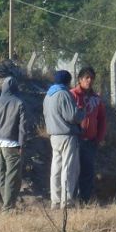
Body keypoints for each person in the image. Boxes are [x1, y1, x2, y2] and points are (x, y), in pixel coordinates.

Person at [43, 70, 85, 209]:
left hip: (53, 136)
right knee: (68, 168)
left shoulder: (48, 95)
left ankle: (55, 200)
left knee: (56, 168)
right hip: (67, 135)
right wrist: (82, 112)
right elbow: (72, 116)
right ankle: (66, 201)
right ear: (67, 81)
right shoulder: (64, 94)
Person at [0, 76, 27, 212]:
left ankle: (7, 204)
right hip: (13, 146)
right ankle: (8, 207)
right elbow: (22, 127)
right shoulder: (19, 103)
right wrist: (21, 144)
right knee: (12, 177)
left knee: (3, 176)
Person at [69, 67, 107, 204]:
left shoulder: (96, 99)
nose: (89, 80)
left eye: (92, 78)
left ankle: (84, 200)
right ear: (80, 79)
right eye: (86, 78)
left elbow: (102, 119)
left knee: (88, 171)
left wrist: (99, 138)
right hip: (74, 140)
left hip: (90, 141)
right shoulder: (72, 95)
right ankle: (71, 200)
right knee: (72, 171)